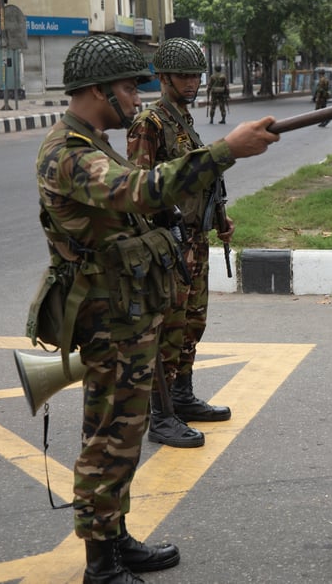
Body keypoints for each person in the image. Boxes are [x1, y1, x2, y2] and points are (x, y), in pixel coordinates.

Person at [36, 34, 279, 583]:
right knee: (107, 439)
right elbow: (140, 190)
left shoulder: (91, 140)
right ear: (97, 90)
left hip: (125, 310)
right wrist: (225, 151)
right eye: (127, 87)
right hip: (107, 315)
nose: (135, 97)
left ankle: (117, 540)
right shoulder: (68, 153)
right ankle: (101, 566)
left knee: (124, 434)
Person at [127, 37, 233, 450]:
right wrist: (159, 240)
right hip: (170, 243)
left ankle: (183, 396)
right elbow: (138, 190)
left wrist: (220, 219)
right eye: (184, 75)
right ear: (164, 77)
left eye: (196, 75)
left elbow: (202, 179)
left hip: (196, 239)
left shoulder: (183, 121)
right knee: (168, 329)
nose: (192, 82)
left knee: (191, 324)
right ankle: (161, 415)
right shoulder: (149, 124)